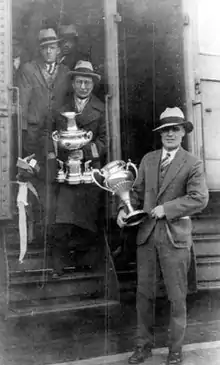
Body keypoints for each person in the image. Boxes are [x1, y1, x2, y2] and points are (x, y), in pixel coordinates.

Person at [117, 107, 209, 365]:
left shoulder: (193, 163)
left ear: (183, 133)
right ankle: (142, 347)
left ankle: (175, 349)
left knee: (176, 296)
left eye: (175, 129)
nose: (170, 134)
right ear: (160, 134)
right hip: (146, 237)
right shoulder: (148, 160)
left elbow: (200, 198)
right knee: (144, 295)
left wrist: (166, 209)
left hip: (175, 238)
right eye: (165, 130)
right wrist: (123, 210)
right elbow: (133, 193)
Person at [49, 60, 107, 276]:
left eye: (88, 83)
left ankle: (86, 266)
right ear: (73, 83)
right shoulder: (60, 108)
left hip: (90, 170)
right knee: (62, 219)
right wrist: (59, 156)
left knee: (87, 220)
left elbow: (105, 140)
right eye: (80, 82)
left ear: (92, 85)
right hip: (65, 170)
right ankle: (58, 267)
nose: (84, 86)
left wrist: (84, 152)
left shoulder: (101, 108)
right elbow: (51, 136)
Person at [17, 28, 70, 234]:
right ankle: (38, 227)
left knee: (58, 176)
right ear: (40, 50)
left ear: (58, 49)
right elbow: (22, 106)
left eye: (53, 47)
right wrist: (23, 134)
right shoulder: (28, 69)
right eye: (46, 48)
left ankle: (57, 225)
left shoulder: (65, 71)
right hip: (34, 134)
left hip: (58, 134)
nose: (49, 51)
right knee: (37, 177)